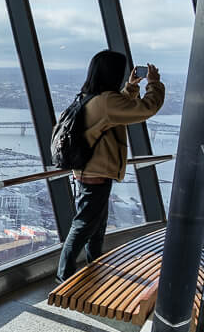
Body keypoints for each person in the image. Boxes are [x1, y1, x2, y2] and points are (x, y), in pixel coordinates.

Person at [56, 51, 165, 282]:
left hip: (90, 172)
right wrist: (154, 85)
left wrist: (131, 87)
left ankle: (93, 266)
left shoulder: (89, 97)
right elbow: (145, 109)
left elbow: (118, 108)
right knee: (83, 226)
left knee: (95, 227)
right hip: (95, 174)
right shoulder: (105, 101)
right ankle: (63, 277)